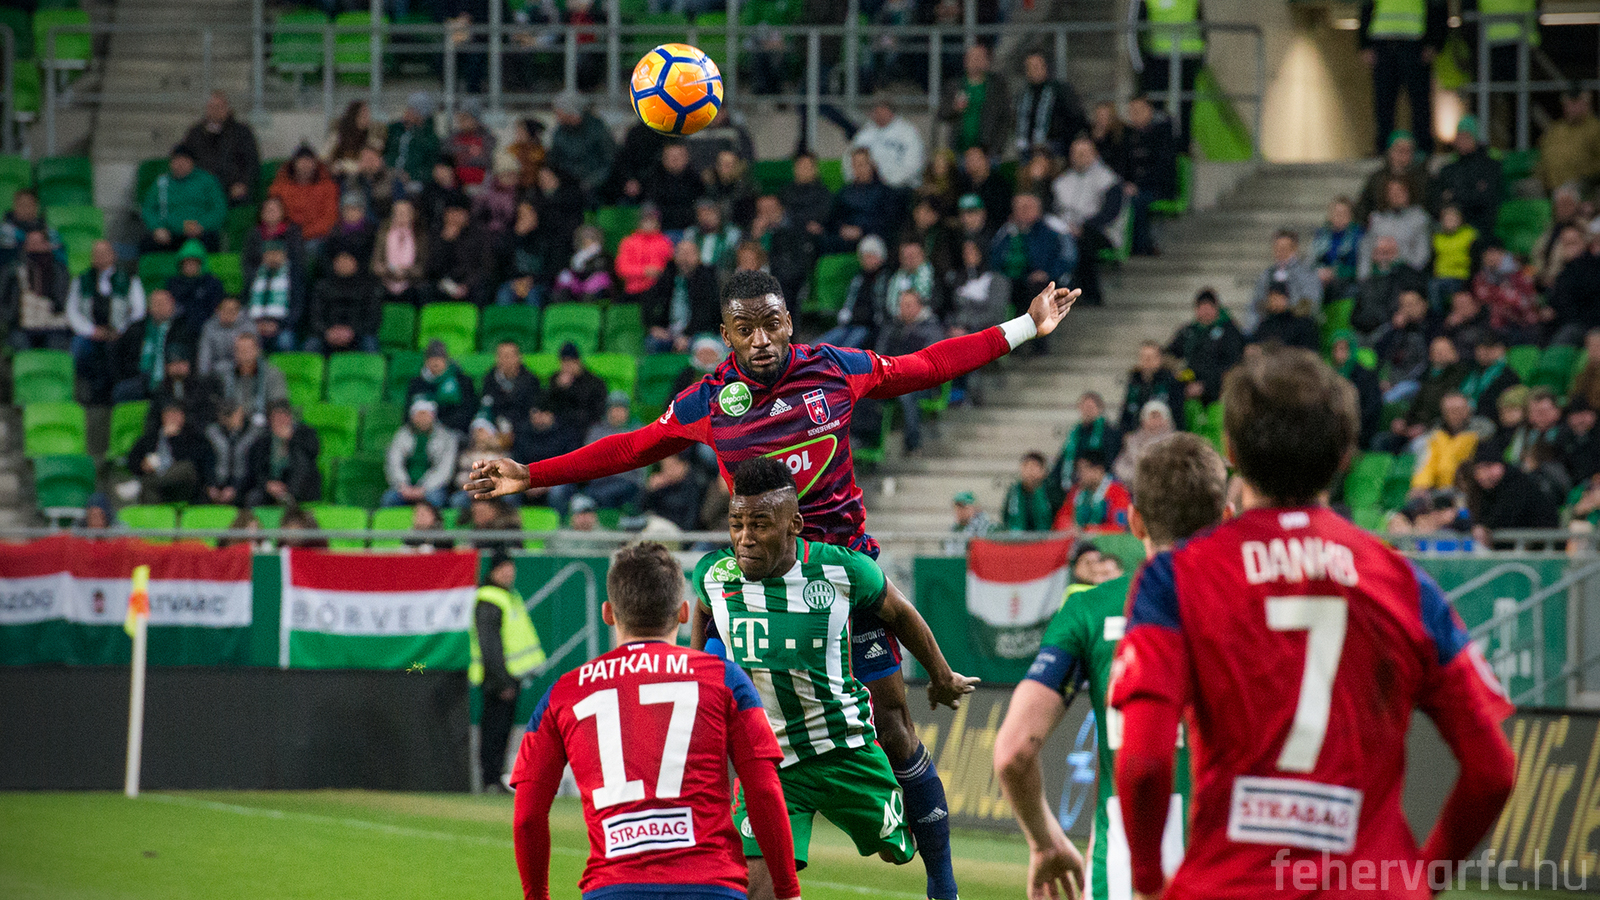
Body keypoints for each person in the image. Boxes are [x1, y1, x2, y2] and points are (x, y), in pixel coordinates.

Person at [469, 269, 1077, 900]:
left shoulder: (834, 369)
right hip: (754, 585)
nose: (760, 339)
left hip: (843, 581)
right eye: (744, 328)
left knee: (894, 728)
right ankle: (714, 862)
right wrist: (532, 475)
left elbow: (926, 365)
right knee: (732, 733)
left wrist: (1025, 325)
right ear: (726, 334)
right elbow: (632, 447)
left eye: (770, 324)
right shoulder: (709, 401)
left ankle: (942, 887)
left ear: (788, 321)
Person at [1110, 346, 1515, 899]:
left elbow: (1143, 763)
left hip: (1231, 885)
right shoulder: (1405, 584)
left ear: (1231, 452)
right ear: (1346, 455)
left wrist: (1146, 880)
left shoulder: (1174, 578)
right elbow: (1493, 770)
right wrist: (1423, 880)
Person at [690, 459, 974, 900]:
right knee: (758, 886)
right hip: (769, 763)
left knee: (897, 850)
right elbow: (705, 612)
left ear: (794, 525)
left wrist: (941, 675)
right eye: (737, 524)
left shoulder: (844, 571)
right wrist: (698, 676)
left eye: (760, 525)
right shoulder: (714, 574)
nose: (745, 538)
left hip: (845, 750)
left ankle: (940, 879)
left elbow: (901, 613)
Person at [996, 432, 1225, 900]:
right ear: (1225, 518)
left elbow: (1013, 752)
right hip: (1237, 864)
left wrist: (1045, 843)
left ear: (1135, 522)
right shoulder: (1257, 603)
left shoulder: (1089, 610)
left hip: (1123, 874)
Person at [511, 540, 802, 900]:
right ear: (683, 612)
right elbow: (764, 791)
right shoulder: (726, 679)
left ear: (608, 613)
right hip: (710, 886)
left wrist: (536, 895)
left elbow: (527, 816)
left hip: (613, 889)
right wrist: (787, 890)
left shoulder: (563, 693)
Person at [471, 551, 545, 795]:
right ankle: (490, 779)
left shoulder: (508, 596)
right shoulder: (490, 599)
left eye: (510, 567)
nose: (509, 572)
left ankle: (496, 777)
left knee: (502, 730)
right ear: (493, 571)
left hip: (509, 677)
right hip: (497, 679)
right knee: (493, 729)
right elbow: (490, 645)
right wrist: (502, 682)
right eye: (503, 568)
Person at [1358, 0, 1447, 156]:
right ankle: (1385, 150)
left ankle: (1422, 150)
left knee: (1419, 102)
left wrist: (1434, 43)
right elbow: (1366, 6)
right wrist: (1364, 43)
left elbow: (1438, 6)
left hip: (1414, 44)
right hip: (1384, 43)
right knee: (1384, 103)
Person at [67, 240, 146, 403]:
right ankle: (89, 392)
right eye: (97, 254)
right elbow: (72, 311)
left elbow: (139, 310)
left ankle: (115, 393)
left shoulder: (129, 279)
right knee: (78, 348)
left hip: (120, 334)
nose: (100, 257)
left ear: (113, 255)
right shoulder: (81, 280)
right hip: (91, 334)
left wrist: (119, 330)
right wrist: (91, 331)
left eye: (104, 253)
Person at [1051, 137, 1125, 307]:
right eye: (1076, 153)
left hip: (1100, 231)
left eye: (1084, 153)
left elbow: (1110, 213)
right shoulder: (1061, 182)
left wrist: (1083, 227)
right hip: (1066, 229)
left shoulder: (1108, 180)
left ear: (1094, 154)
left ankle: (1090, 294)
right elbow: (1055, 211)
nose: (1079, 157)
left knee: (1083, 242)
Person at [1128, 0, 1206, 146]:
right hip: (1158, 57)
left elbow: (1200, 20)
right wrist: (1139, 67)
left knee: (1185, 107)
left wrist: (1202, 58)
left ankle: (1182, 149)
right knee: (1155, 108)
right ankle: (1155, 147)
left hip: (1188, 56)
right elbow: (1134, 28)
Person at [877, 290, 945, 454]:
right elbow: (879, 354)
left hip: (923, 384)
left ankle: (913, 443)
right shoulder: (893, 327)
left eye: (908, 305)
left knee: (906, 394)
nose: (904, 309)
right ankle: (865, 440)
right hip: (892, 378)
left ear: (919, 307)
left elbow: (931, 363)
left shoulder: (932, 329)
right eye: (901, 305)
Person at [1466, 442, 1562, 546]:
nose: (1484, 474)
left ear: (1501, 465)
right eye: (1478, 469)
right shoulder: (1482, 491)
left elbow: (1505, 518)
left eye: (1489, 466)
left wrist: (1485, 527)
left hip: (1539, 547)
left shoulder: (1518, 484)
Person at [140, 144, 227, 253]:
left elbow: (219, 209)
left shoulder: (207, 180)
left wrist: (202, 225)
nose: (180, 164)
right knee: (147, 243)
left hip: (200, 232)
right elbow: (148, 208)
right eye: (176, 160)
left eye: (184, 161)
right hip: (169, 233)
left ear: (192, 163)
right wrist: (157, 227)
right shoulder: (162, 182)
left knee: (210, 240)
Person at [1167, 288, 1244, 406]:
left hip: (1218, 393)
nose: (1205, 311)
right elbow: (1169, 353)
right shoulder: (1189, 331)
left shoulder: (1229, 330)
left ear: (1216, 308)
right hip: (1189, 387)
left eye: (1209, 307)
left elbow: (1233, 363)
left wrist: (1206, 386)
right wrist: (1178, 373)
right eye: (1201, 307)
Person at [127, 401, 214, 504]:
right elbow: (133, 459)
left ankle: (141, 484)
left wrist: (174, 439)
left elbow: (196, 462)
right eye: (169, 414)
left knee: (184, 468)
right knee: (149, 488)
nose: (172, 418)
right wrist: (142, 465)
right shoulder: (150, 438)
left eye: (176, 414)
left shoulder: (194, 438)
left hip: (184, 483)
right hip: (156, 480)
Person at [1122, 96, 1178, 256]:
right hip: (1134, 186)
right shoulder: (1128, 136)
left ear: (1150, 111)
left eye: (1139, 110)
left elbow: (1163, 168)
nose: (1135, 115)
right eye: (1132, 111)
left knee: (1137, 200)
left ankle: (1140, 247)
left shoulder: (1162, 135)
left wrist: (1138, 185)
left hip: (1158, 187)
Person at [242, 400, 322, 507]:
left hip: (298, 487)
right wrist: (267, 484)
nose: (280, 422)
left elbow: (311, 456)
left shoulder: (305, 434)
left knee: (301, 463)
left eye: (283, 417)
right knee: (253, 498)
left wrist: (291, 439)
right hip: (270, 488)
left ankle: (290, 499)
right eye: (276, 418)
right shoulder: (263, 440)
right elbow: (256, 469)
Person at [1, 228, 71, 350]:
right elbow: (3, 298)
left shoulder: (60, 271)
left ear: (47, 245)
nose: (34, 247)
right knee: (19, 344)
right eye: (31, 243)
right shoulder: (13, 271)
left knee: (56, 345)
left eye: (38, 243)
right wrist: (10, 317)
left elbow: (64, 299)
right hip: (21, 325)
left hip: (52, 325)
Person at [1430, 115, 1501, 236]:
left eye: (1467, 137)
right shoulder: (1448, 169)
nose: (1462, 141)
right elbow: (1436, 200)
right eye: (1459, 137)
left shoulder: (1490, 166)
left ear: (1475, 139)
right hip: (1450, 227)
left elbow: (1488, 200)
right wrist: (1473, 193)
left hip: (1481, 229)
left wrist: (1454, 194)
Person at [384, 398, 460, 509]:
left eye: (426, 415)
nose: (422, 419)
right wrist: (403, 485)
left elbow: (444, 470)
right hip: (404, 488)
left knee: (436, 499)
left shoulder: (446, 437)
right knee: (388, 499)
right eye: (419, 415)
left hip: (432, 487)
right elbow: (394, 464)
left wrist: (423, 488)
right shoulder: (401, 436)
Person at [939, 43, 1011, 158]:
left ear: (987, 62)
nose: (975, 62)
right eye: (972, 58)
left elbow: (1005, 118)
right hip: (959, 150)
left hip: (987, 153)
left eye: (979, 58)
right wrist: (954, 108)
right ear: (965, 61)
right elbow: (942, 113)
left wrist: (996, 148)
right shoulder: (955, 85)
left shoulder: (997, 87)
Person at [111, 288, 183, 402]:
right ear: (149, 307)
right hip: (140, 378)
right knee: (121, 391)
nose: (160, 307)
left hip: (171, 379)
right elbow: (118, 354)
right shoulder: (136, 329)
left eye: (164, 303)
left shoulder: (181, 329)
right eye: (157, 304)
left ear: (172, 305)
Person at [1013, 51, 1088, 160]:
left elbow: (1076, 117)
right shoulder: (1023, 94)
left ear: (1045, 67)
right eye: (1029, 67)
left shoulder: (1060, 90)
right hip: (1027, 149)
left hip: (1055, 148)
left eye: (1036, 66)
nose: (1033, 70)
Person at [304, 248, 380, 354]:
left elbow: (372, 318)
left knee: (369, 343)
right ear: (334, 264)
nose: (344, 264)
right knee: (311, 345)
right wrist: (327, 332)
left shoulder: (368, 288)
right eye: (340, 261)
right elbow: (314, 316)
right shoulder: (321, 287)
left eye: (347, 261)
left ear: (355, 263)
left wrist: (352, 332)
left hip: (357, 333)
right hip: (327, 333)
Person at [825, 149, 900, 255]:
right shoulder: (844, 192)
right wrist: (842, 229)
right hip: (846, 237)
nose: (859, 169)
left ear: (871, 165)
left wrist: (862, 231)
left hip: (873, 236)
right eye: (855, 165)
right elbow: (833, 218)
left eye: (862, 164)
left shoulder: (885, 192)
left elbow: (888, 221)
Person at [1350, 234, 1427, 336]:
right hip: (1366, 329)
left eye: (1387, 252)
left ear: (1396, 253)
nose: (1383, 257)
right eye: (1379, 252)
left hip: (1397, 328)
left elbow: (1418, 304)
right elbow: (1357, 314)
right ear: (1373, 255)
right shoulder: (1367, 281)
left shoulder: (1408, 276)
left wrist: (1403, 314)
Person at [1051, 392, 1123, 497]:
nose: (1087, 411)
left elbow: (1110, 459)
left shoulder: (1110, 432)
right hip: (1075, 478)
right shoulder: (1075, 433)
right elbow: (1064, 457)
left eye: (1090, 407)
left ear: (1099, 409)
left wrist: (1088, 471)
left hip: (1099, 479)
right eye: (1084, 407)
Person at [547, 92, 616, 202]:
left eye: (559, 112)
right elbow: (555, 160)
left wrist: (592, 181)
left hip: (596, 184)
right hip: (569, 183)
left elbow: (609, 160)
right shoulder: (560, 132)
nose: (557, 116)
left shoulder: (597, 129)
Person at [1248, 229, 1322, 330]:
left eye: (1284, 248)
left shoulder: (1307, 272)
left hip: (1298, 326)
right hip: (1272, 323)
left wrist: (1287, 304)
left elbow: (1313, 303)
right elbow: (1256, 303)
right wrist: (1269, 304)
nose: (1280, 252)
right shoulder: (1267, 274)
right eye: (1277, 248)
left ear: (1294, 249)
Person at [847, 98, 926, 191]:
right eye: (876, 111)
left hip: (901, 187)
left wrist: (890, 182)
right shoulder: (865, 132)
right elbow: (850, 158)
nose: (879, 114)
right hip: (869, 187)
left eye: (882, 110)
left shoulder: (907, 132)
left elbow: (914, 164)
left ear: (890, 112)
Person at [1359, 177, 1432, 277]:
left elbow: (1422, 257)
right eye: (1391, 192)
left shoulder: (1419, 218)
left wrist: (1397, 255)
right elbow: (1366, 249)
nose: (1395, 195)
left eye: (1400, 191)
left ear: (1408, 193)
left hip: (1408, 275)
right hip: (1379, 275)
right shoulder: (1377, 218)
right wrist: (1363, 278)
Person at [1410, 391, 1480, 493]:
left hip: (1468, 489)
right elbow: (1427, 464)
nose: (1454, 414)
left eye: (1458, 409)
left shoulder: (1480, 435)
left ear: (1468, 410)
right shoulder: (1435, 436)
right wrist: (1420, 486)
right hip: (1437, 490)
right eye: (1449, 411)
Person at [269, 147, 340, 245]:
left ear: (315, 164)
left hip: (316, 236)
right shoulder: (279, 187)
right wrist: (288, 232)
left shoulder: (328, 187)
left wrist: (305, 233)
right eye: (301, 161)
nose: (305, 165)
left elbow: (329, 217)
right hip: (285, 234)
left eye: (309, 161)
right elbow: (272, 214)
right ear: (294, 164)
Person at [1053, 446, 1132, 533]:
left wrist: (1088, 531)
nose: (1079, 475)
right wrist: (1067, 526)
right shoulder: (1076, 491)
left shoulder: (1118, 492)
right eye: (1078, 470)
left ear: (1099, 470)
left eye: (1083, 470)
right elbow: (1061, 518)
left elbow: (1119, 527)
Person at [408, 339, 479, 435]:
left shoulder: (462, 381)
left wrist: (441, 426)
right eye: (431, 358)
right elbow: (407, 415)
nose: (436, 362)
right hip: (421, 431)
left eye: (440, 358)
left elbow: (468, 412)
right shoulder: (416, 384)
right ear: (426, 360)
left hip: (454, 432)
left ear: (447, 360)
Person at [544, 342, 608, 448]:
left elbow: (596, 411)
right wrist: (559, 388)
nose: (567, 366)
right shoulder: (555, 380)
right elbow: (548, 404)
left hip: (584, 427)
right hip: (557, 427)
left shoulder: (594, 382)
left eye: (571, 362)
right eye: (564, 362)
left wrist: (569, 389)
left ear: (578, 362)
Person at [428, 201, 492, 306]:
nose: (454, 217)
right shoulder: (437, 234)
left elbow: (485, 266)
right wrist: (446, 242)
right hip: (444, 282)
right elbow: (432, 268)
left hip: (469, 282)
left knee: (482, 289)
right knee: (426, 290)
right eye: (451, 213)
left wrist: (467, 285)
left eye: (458, 213)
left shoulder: (478, 235)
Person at [1536, 89, 1600, 193]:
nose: (1572, 108)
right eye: (1568, 105)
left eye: (1576, 104)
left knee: (1568, 192)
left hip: (1582, 184)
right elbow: (1543, 158)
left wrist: (1585, 177)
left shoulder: (1595, 129)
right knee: (1523, 189)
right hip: (1548, 183)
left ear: (1587, 105)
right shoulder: (1556, 129)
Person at [372, 198, 430, 305]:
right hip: (386, 279)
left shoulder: (420, 235)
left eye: (405, 212)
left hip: (411, 281)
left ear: (412, 215)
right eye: (398, 212)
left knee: (423, 291)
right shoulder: (383, 234)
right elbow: (375, 264)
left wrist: (406, 272)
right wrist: (389, 270)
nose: (401, 215)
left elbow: (423, 266)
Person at [244, 240, 299, 351]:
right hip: (255, 324)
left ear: (284, 255)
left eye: (276, 254)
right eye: (269, 254)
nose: (273, 258)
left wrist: (278, 325)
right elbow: (245, 302)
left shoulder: (294, 276)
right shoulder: (254, 276)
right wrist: (256, 324)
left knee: (285, 341)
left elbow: (297, 307)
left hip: (282, 325)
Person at [203, 400, 261, 507]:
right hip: (217, 483)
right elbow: (207, 462)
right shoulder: (212, 433)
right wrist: (211, 485)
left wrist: (235, 488)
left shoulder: (253, 435)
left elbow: (253, 467)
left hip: (243, 485)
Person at [1121, 340, 1185, 433]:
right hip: (1138, 433)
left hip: (1165, 433)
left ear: (1159, 359)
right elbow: (1127, 411)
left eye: (1150, 357)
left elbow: (1177, 412)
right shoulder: (1134, 381)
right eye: (1143, 357)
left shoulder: (1171, 382)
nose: (1147, 361)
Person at [385, 92, 443, 192]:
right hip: (390, 174)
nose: (408, 112)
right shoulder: (395, 129)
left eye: (413, 110)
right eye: (409, 108)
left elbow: (429, 168)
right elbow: (387, 152)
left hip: (414, 181)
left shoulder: (430, 138)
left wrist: (411, 175)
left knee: (413, 188)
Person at [616, 204, 675, 301]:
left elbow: (668, 267)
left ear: (658, 222)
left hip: (658, 290)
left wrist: (657, 272)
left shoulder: (665, 242)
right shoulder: (628, 242)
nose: (649, 223)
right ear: (639, 222)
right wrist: (644, 271)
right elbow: (621, 269)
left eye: (652, 220)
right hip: (633, 291)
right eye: (645, 220)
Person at [479, 340, 542, 430]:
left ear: (519, 358)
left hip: (521, 427)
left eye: (509, 356)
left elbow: (530, 410)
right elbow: (487, 406)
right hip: (496, 425)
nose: (506, 360)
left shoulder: (531, 381)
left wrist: (509, 425)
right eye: (502, 356)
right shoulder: (489, 379)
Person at [1114, 398, 1179, 484]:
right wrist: (1140, 477)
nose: (1156, 422)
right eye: (1152, 417)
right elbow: (1120, 466)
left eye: (1159, 417)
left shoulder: (1176, 442)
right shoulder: (1132, 441)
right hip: (1135, 485)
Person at [1312, 196, 1363, 302]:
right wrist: (1320, 271)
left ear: (1350, 216)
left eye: (1343, 213)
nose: (1339, 217)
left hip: (1349, 283)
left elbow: (1361, 268)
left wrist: (1337, 272)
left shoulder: (1358, 235)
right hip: (1322, 282)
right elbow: (1311, 262)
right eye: (1336, 213)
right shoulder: (1321, 234)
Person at [1249, 284, 1319, 352]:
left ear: (1286, 298)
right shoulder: (1266, 324)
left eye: (1276, 298)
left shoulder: (1302, 322)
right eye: (1271, 299)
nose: (1273, 303)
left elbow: (1309, 349)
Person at [1004, 451, 1058, 532]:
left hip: (1046, 537)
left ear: (1043, 470)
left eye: (1034, 466)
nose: (1029, 470)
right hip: (1017, 538)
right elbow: (1006, 518)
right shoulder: (1013, 491)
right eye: (1026, 466)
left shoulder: (1051, 491)